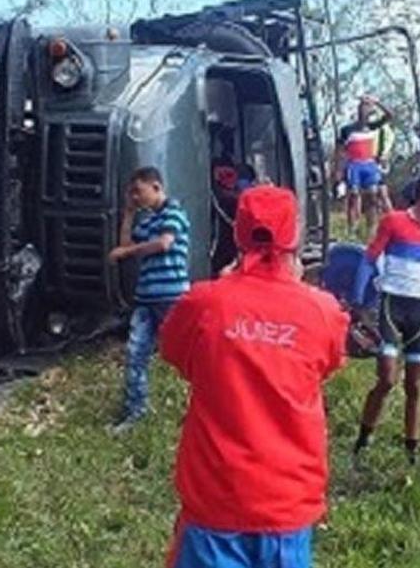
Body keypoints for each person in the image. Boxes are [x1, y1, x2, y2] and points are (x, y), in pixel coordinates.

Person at [159, 185, 348, 568]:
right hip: (288, 503)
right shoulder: (323, 311)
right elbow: (325, 366)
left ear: (238, 232)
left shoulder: (204, 303)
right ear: (294, 237)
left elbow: (177, 354)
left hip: (216, 500)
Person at [351, 163, 420, 464]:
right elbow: (369, 260)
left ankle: (412, 450)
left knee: (415, 385)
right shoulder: (394, 221)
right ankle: (363, 439)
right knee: (386, 380)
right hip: (391, 306)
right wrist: (358, 301)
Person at [107, 167, 190, 433]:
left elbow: (164, 244)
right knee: (135, 353)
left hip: (172, 297)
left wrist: (127, 250)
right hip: (146, 298)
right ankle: (136, 411)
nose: (136, 197)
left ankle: (198, 409)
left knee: (187, 356)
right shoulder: (147, 220)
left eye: (138, 191)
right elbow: (126, 245)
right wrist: (129, 213)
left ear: (156, 187)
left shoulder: (174, 212)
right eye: (133, 193)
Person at [338, 95, 392, 235]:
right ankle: (352, 229)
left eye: (367, 108)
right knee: (354, 196)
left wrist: (377, 101)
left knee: (372, 197)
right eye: (362, 107)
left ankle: (371, 230)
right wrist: (338, 170)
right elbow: (339, 151)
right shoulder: (347, 130)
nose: (364, 110)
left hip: (370, 164)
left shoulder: (373, 126)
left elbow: (389, 115)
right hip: (354, 165)